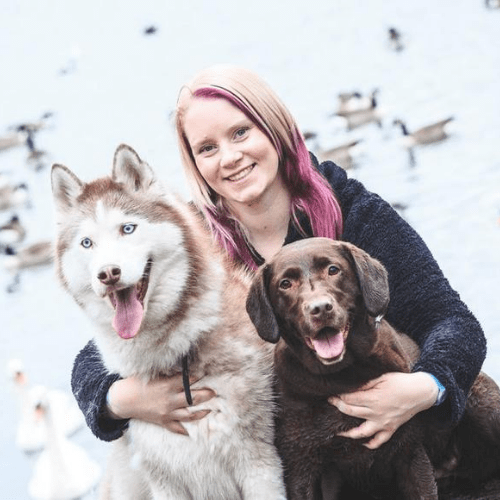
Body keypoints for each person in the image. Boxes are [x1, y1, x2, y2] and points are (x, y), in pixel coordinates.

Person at [71, 64, 485, 486]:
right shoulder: (196, 246)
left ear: (275, 128)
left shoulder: (354, 214)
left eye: (240, 133)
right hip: (276, 456)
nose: (230, 158)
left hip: (381, 448)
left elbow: (451, 321)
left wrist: (423, 388)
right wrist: (121, 399)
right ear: (195, 164)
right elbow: (94, 358)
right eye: (207, 148)